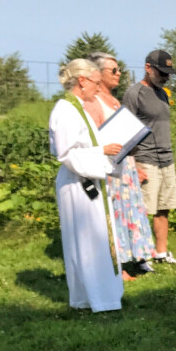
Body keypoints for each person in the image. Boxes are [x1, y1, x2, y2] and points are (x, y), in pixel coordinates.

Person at [49, 59, 125, 312]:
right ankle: (93, 297)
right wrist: (101, 150)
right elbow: (67, 152)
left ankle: (102, 296)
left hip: (89, 179)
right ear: (82, 81)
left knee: (99, 238)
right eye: (95, 82)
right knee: (86, 240)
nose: (98, 87)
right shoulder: (65, 109)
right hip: (77, 182)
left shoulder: (79, 108)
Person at [88, 52, 157, 280]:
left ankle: (132, 258)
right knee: (115, 214)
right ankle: (116, 265)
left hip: (125, 164)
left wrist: (134, 163)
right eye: (113, 71)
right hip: (110, 165)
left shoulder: (114, 100)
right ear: (98, 73)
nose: (118, 74)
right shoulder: (94, 102)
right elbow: (95, 136)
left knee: (130, 212)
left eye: (119, 70)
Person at [123, 50, 176, 265]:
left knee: (163, 207)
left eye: (168, 73)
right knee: (143, 210)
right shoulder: (134, 93)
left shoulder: (163, 93)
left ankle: (161, 253)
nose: (166, 77)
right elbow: (124, 131)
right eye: (161, 72)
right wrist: (132, 163)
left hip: (166, 158)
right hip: (144, 159)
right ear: (148, 68)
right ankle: (139, 255)